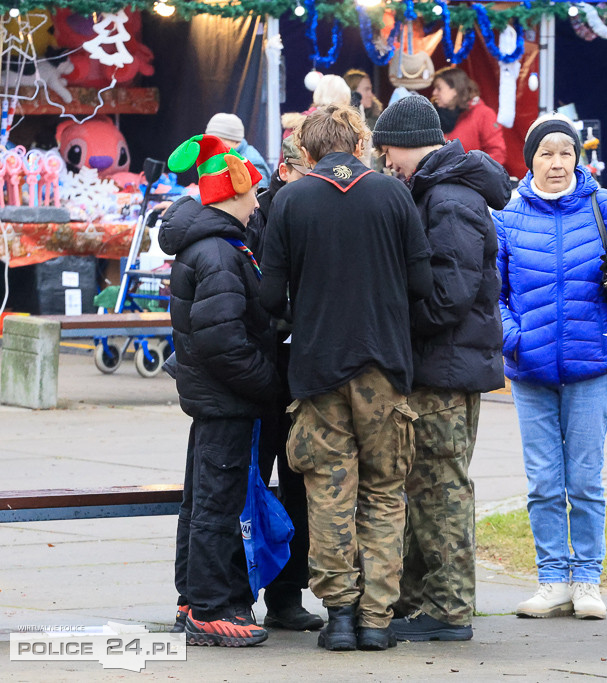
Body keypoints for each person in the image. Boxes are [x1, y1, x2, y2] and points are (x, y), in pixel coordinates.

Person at [259, 104, 433, 652]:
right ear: (360, 145)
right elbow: (422, 284)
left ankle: (337, 617)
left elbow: (270, 296)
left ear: (306, 152)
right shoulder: (393, 194)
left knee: (328, 492)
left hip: (317, 369)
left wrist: (307, 309)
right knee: (384, 493)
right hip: (384, 365)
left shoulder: (290, 200)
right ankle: (376, 621)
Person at [494, 113, 607, 620]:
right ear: (531, 161)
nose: (557, 162)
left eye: (566, 152)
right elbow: (492, 294)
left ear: (577, 158)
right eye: (546, 153)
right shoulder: (508, 216)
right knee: (543, 482)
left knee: (584, 481)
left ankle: (586, 580)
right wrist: (514, 339)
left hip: (591, 364)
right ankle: (552, 580)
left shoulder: (604, 206)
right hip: (530, 369)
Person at [370, 95, 513, 642]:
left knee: (440, 490)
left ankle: (450, 610)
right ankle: (421, 600)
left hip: (445, 369)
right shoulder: (439, 190)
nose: (388, 163)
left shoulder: (449, 199)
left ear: (411, 143)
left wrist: (396, 325)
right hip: (443, 364)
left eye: (389, 151)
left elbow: (449, 295)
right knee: (427, 487)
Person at [160, 134, 278, 646]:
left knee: (202, 501)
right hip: (228, 400)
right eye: (251, 191)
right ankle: (208, 609)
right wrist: (270, 384)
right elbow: (224, 342)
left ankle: (192, 598)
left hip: (215, 399)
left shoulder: (212, 245)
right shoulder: (218, 253)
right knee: (216, 504)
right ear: (232, 193)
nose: (257, 201)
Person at [240, 134, 323, 634]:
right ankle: (238, 593)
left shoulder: (316, 208)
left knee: (299, 484)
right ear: (285, 170)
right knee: (251, 484)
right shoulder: (258, 215)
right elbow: (254, 295)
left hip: (302, 366)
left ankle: (287, 595)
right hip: (264, 367)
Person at [432, 66, 506, 166]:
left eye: (439, 88)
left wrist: (470, 170)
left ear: (455, 90)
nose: (434, 92)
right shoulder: (434, 116)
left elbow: (497, 153)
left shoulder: (484, 114)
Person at [205, 113, 271, 189]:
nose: (212, 147)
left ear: (235, 141)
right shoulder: (220, 158)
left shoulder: (252, 163)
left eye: (218, 142)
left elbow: (259, 194)